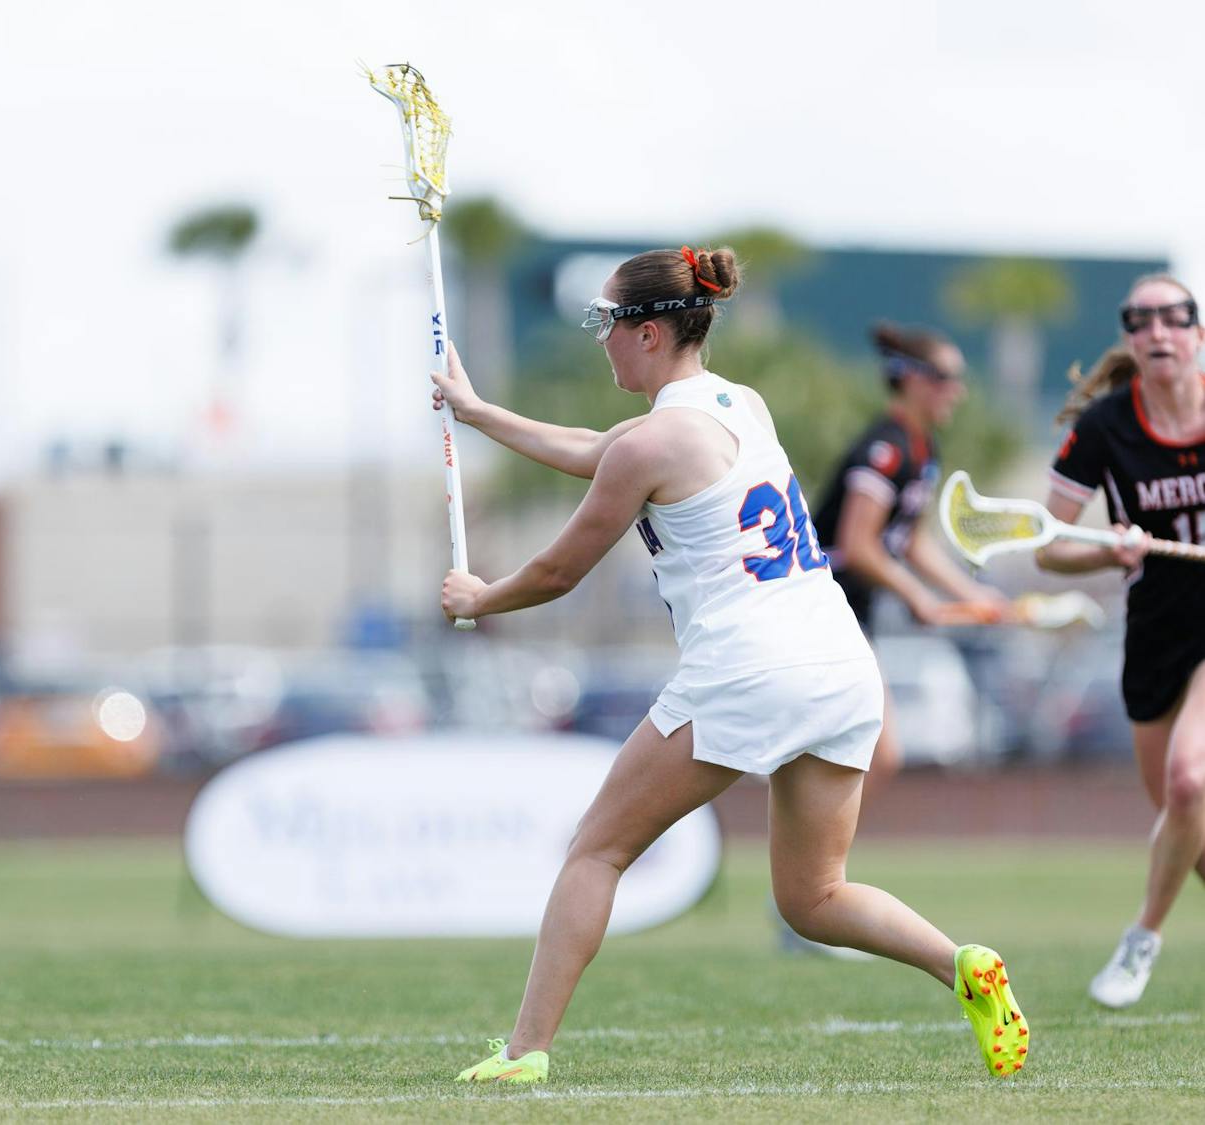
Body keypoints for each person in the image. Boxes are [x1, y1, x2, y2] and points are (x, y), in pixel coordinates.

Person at [431, 245, 1027, 1084]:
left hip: (752, 667)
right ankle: (961, 962)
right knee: (812, 897)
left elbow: (560, 571)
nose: (599, 339)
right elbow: (596, 446)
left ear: (647, 333)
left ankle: (526, 1052)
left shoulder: (652, 445)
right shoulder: (737, 403)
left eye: (606, 322)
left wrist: (478, 598)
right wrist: (477, 411)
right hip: (840, 661)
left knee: (595, 851)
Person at [1039, 273, 1205, 1009]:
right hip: (1156, 633)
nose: (1159, 331)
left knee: (1189, 781)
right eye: (1142, 321)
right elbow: (1050, 544)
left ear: (1197, 333)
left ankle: (1141, 937)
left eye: (1175, 318)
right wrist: (1110, 548)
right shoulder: (1107, 425)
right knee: (1187, 827)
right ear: (1131, 341)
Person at [813, 324, 1011, 800]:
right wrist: (917, 597)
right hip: (822, 610)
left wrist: (973, 596)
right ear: (913, 379)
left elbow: (913, 541)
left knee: (865, 757)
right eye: (947, 378)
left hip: (851, 613)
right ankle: (809, 872)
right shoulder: (886, 449)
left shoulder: (923, 451)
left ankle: (807, 871)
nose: (958, 392)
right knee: (878, 755)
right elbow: (857, 545)